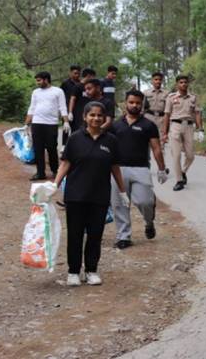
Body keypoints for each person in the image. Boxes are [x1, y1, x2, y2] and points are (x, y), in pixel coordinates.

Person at [53, 101, 127, 287]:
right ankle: (73, 272)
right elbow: (66, 163)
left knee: (95, 234)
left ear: (104, 118)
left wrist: (122, 191)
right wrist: (54, 185)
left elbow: (115, 168)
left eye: (99, 115)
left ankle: (92, 270)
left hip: (100, 196)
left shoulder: (111, 141)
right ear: (85, 117)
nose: (96, 118)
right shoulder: (75, 138)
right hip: (75, 195)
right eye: (92, 115)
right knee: (75, 234)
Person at [110, 90, 169, 249]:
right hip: (118, 170)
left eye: (138, 103)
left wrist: (162, 169)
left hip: (141, 169)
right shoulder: (115, 125)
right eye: (131, 102)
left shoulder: (148, 125)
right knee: (119, 204)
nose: (134, 105)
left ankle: (149, 222)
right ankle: (124, 236)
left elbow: (156, 148)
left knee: (145, 201)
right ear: (125, 103)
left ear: (142, 104)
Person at [25, 71, 70, 180]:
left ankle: (55, 171)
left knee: (51, 148)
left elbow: (62, 107)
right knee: (38, 149)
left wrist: (66, 121)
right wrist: (27, 123)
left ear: (46, 79)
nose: (38, 83)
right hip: (37, 123)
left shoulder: (58, 91)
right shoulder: (35, 92)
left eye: (39, 80)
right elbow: (32, 107)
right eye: (37, 80)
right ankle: (40, 173)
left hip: (51, 124)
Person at [163, 75, 204, 191]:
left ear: (188, 84)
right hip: (175, 126)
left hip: (189, 127)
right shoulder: (171, 97)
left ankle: (183, 171)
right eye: (181, 82)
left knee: (190, 156)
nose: (183, 84)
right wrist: (165, 132)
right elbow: (166, 115)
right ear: (177, 84)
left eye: (185, 82)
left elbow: (197, 114)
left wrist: (200, 129)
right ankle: (179, 180)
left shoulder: (193, 98)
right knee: (176, 155)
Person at [144, 72, 171, 167]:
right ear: (152, 81)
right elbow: (142, 108)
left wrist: (167, 124)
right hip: (148, 117)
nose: (158, 81)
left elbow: (169, 109)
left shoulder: (167, 93)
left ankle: (162, 165)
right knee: (145, 142)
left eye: (159, 80)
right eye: (156, 79)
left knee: (161, 143)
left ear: (162, 81)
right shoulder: (146, 93)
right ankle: (146, 163)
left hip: (161, 119)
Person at [60, 65, 82, 143]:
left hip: (78, 109)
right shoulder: (65, 83)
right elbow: (61, 96)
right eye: (75, 73)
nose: (77, 75)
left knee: (76, 128)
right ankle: (64, 145)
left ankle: (75, 144)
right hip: (66, 109)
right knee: (66, 127)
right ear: (70, 73)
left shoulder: (81, 83)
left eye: (78, 73)